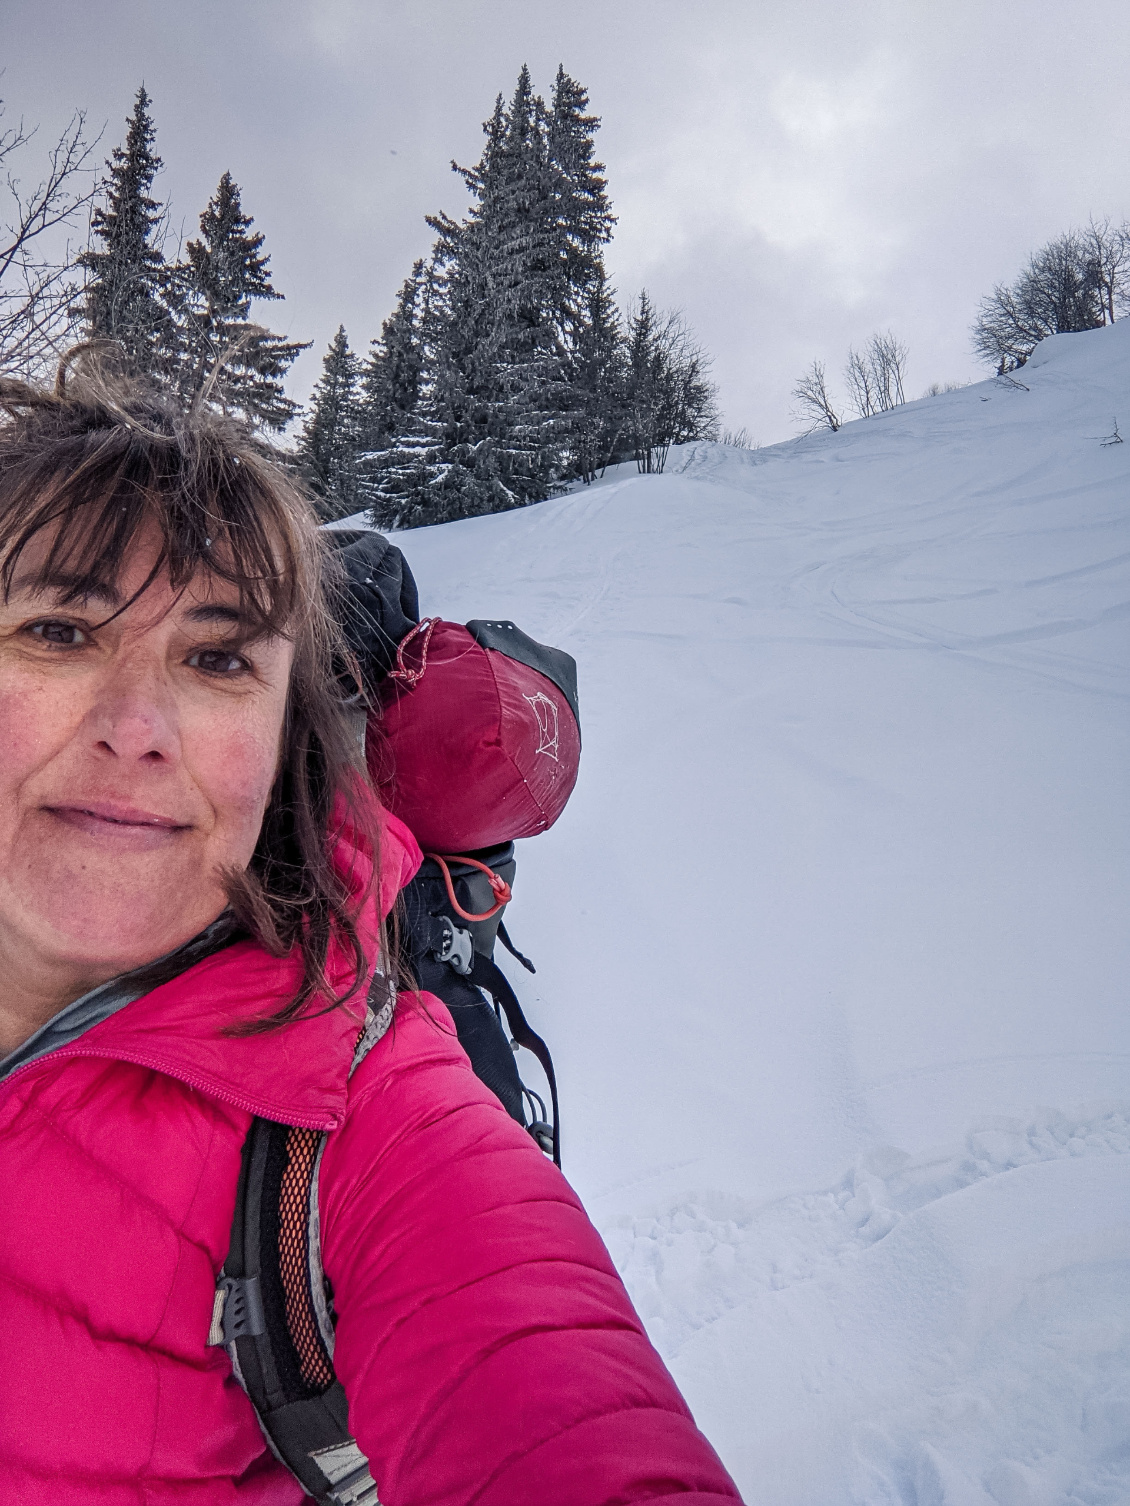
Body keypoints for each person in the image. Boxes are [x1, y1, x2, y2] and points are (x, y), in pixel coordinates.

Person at [0, 351, 742, 1504]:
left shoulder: (355, 1104)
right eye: (57, 631)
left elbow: (545, 1390)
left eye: (216, 657)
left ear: (285, 739)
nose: (138, 726)